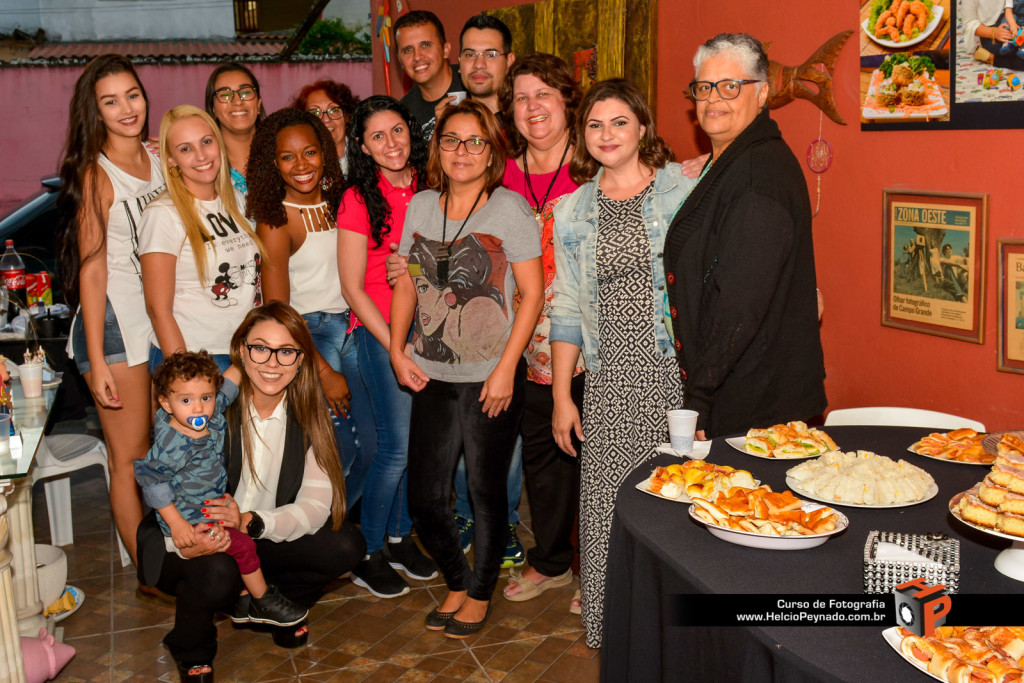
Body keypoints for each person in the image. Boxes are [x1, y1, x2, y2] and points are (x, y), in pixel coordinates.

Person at [136, 302, 365, 682]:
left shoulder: (310, 414)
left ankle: (263, 600)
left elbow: (314, 507)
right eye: (260, 348)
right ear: (242, 351)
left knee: (347, 546)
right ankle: (191, 644)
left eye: (286, 351)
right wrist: (184, 531)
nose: (272, 362)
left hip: (254, 534)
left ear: (301, 360)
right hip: (187, 533)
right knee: (217, 571)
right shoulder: (206, 407)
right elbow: (157, 478)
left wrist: (250, 520)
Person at [550, 78, 695, 648]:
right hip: (608, 382)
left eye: (619, 122)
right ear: (583, 135)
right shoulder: (572, 210)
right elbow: (564, 307)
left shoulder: (679, 190)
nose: (607, 135)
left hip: (671, 379)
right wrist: (564, 396)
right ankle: (617, 636)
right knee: (608, 515)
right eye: (594, 124)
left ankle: (677, 635)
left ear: (642, 128)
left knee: (678, 506)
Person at [390, 100, 543, 637]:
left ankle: (479, 592)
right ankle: (456, 579)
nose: (462, 151)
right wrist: (395, 347)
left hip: (489, 376)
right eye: (452, 140)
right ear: (438, 148)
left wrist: (505, 370)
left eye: (475, 141)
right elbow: (409, 281)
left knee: (485, 491)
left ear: (491, 152)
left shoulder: (510, 210)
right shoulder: (421, 207)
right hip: (431, 373)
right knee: (425, 498)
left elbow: (531, 296)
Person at [663, 33, 826, 440]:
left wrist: (699, 398)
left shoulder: (757, 179)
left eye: (730, 86)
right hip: (744, 395)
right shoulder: (735, 162)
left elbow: (739, 306)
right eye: (704, 87)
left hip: (754, 410)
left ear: (763, 92)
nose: (714, 99)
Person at [57, 54, 165, 565]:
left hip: (155, 322)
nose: (127, 108)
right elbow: (93, 270)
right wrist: (96, 360)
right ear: (94, 111)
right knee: (131, 457)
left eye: (133, 95)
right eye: (111, 101)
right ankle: (147, 569)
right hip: (113, 326)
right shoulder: (96, 174)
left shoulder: (158, 159)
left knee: (159, 452)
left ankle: (167, 558)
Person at [245, 108, 375, 509]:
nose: (301, 165)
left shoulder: (344, 199)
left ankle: (341, 532)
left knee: (374, 445)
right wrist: (320, 368)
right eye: (288, 156)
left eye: (310, 152)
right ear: (273, 163)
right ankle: (315, 537)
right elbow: (278, 311)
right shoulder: (276, 220)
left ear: (326, 153)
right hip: (311, 336)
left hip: (356, 327)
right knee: (341, 453)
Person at [493, 53, 586, 611]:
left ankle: (597, 564)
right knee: (544, 459)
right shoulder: (498, 172)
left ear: (567, 102)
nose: (533, 107)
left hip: (596, 339)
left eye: (544, 94)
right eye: (522, 98)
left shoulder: (598, 160)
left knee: (601, 455)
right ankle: (551, 561)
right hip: (525, 341)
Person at [336, 96, 438, 598]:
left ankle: (399, 537)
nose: (391, 143)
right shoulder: (358, 197)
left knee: (408, 447)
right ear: (362, 145)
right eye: (378, 136)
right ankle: (368, 550)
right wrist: (394, 347)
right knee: (395, 449)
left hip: (427, 332)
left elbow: (433, 263)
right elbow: (353, 286)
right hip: (378, 332)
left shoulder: (430, 184)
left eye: (397, 131)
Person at [134, 351, 307, 629]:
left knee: (240, 545)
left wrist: (244, 358)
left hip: (208, 511)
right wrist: (177, 525)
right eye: (186, 400)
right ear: (166, 403)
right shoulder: (172, 443)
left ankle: (240, 602)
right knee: (245, 547)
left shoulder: (211, 416)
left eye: (206, 397)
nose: (199, 408)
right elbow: (152, 479)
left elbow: (227, 388)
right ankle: (263, 600)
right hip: (188, 526)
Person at [140, 105, 263, 372]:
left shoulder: (237, 201)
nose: (201, 155)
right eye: (185, 149)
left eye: (206, 142)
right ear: (171, 159)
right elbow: (157, 308)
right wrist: (185, 373)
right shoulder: (163, 214)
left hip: (244, 355)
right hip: (196, 358)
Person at [394, 10, 464, 140]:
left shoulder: (472, 82)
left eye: (425, 45)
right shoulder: (403, 113)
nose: (417, 56)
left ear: (445, 50)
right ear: (400, 61)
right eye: (408, 50)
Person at [204, 62, 265, 194]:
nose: (237, 101)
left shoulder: (283, 154)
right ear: (213, 109)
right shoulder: (202, 163)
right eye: (225, 95)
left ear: (258, 104)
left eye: (245, 92)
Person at [291, 79, 360, 174]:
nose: (326, 119)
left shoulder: (366, 155)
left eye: (333, 110)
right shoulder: (300, 166)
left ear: (347, 116)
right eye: (316, 112)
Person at [963, 0, 1018, 65]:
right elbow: (969, 23)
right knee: (1007, 50)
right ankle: (995, 60)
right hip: (990, 31)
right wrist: (994, 32)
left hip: (1013, 19)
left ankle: (994, 60)